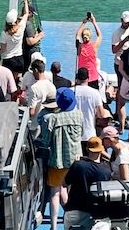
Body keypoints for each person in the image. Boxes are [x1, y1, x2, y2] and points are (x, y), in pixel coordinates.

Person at [38, 88, 84, 230]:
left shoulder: (51, 119)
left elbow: (45, 142)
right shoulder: (79, 115)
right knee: (68, 191)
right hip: (75, 160)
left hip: (57, 161)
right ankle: (70, 220)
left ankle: (53, 226)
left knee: (55, 193)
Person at [63, 136, 110, 230]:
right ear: (101, 150)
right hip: (97, 214)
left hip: (75, 211)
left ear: (87, 149)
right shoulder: (106, 169)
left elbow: (64, 183)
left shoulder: (78, 165)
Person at [0, 0, 30, 78]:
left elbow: (3, 49)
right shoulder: (21, 27)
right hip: (19, 58)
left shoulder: (4, 34)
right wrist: (25, 0)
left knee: (8, 80)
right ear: (16, 20)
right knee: (17, 80)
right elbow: (26, 14)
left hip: (8, 60)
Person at [74, 67, 108, 141]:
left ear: (77, 78)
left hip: (73, 133)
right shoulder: (95, 92)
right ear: (88, 78)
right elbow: (101, 115)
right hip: (89, 134)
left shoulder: (71, 92)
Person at [26, 58, 57, 131]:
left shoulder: (34, 88)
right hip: (48, 124)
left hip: (35, 125)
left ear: (36, 70)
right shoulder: (52, 86)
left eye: (33, 71)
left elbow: (31, 112)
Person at [75, 13, 103, 88]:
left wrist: (84, 22)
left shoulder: (80, 47)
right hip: (93, 77)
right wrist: (94, 22)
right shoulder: (94, 46)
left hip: (81, 78)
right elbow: (99, 35)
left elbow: (77, 35)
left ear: (82, 36)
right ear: (90, 36)